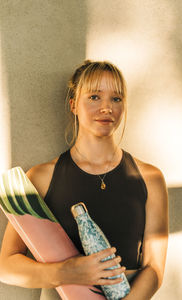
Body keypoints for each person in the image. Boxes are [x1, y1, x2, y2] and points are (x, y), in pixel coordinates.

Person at [0, 60, 168, 300]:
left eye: (116, 99)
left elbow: (154, 269)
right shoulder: (41, 177)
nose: (107, 108)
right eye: (94, 97)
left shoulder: (150, 178)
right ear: (73, 105)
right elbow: (6, 266)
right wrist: (67, 272)